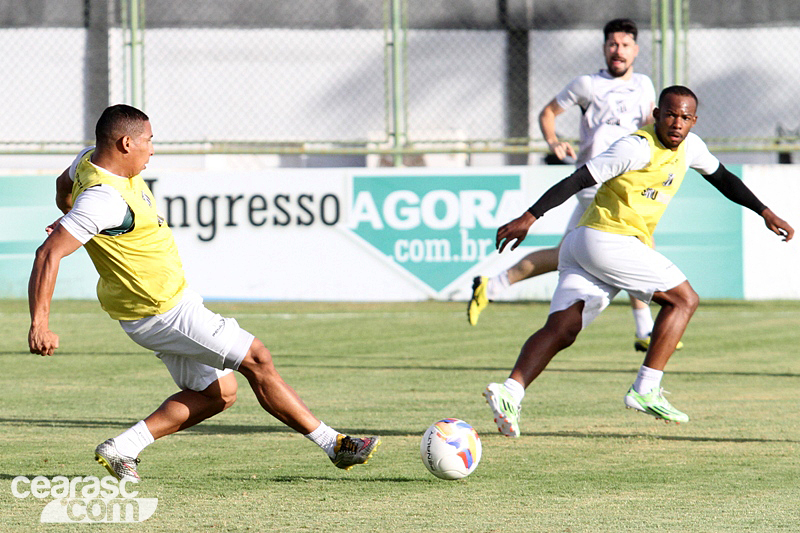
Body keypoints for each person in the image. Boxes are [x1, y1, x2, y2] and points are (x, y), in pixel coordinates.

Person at [28, 104, 380, 481]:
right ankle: (336, 445)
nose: (152, 149)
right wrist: (40, 323)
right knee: (257, 359)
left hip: (155, 310)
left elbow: (63, 186)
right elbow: (48, 253)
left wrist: (69, 214)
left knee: (219, 395)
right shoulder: (103, 200)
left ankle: (123, 447)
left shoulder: (87, 161)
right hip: (165, 312)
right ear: (126, 143)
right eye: (149, 141)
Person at [482, 86, 793, 436]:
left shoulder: (691, 147)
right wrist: (530, 216)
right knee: (684, 299)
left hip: (586, 245)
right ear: (657, 114)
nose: (677, 123)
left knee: (563, 329)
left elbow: (723, 179)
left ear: (694, 121)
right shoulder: (636, 146)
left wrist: (765, 212)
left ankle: (510, 390)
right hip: (607, 240)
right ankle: (646, 388)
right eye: (671, 114)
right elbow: (579, 178)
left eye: (685, 117)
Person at [468, 18, 668, 353]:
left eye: (625, 45)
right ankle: (644, 330)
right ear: (605, 48)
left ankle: (491, 285)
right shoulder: (588, 85)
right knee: (637, 246)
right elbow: (548, 113)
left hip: (627, 180)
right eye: (613, 44)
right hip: (596, 180)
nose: (618, 51)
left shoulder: (645, 85)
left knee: (566, 253)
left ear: (635, 50)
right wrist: (553, 141)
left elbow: (648, 124)